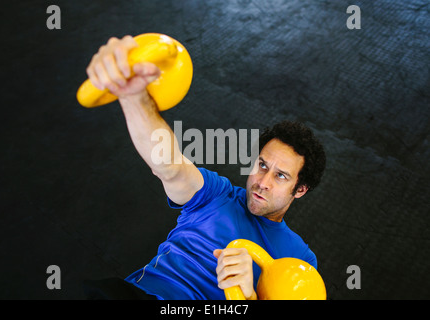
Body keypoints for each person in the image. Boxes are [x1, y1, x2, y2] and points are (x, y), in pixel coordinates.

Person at [83, 35, 326, 300]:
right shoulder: (217, 194)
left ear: (300, 189)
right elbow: (169, 165)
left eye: (280, 176)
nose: (263, 181)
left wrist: (248, 298)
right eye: (262, 165)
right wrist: (133, 96)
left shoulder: (300, 258)